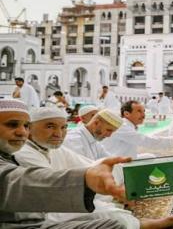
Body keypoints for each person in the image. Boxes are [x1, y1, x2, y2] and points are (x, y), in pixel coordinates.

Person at [14, 107, 173, 229]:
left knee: (132, 170)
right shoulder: (28, 151)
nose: (59, 133)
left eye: (63, 127)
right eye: (50, 126)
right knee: (113, 216)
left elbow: (91, 165)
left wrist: (110, 176)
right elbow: (57, 187)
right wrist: (105, 183)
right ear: (29, 129)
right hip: (55, 206)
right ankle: (141, 223)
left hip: (79, 188)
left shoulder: (53, 148)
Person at [0, 98, 130, 229]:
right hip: (43, 216)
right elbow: (21, 181)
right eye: (12, 125)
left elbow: (89, 165)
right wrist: (86, 179)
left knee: (114, 221)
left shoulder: (44, 149)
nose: (22, 132)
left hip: (47, 213)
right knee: (115, 219)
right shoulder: (24, 152)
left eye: (25, 126)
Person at [102, 101, 173, 158]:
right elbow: (147, 141)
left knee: (150, 157)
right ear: (127, 114)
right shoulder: (122, 126)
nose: (143, 115)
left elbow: (147, 138)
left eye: (143, 111)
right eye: (139, 111)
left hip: (125, 159)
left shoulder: (129, 126)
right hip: (114, 164)